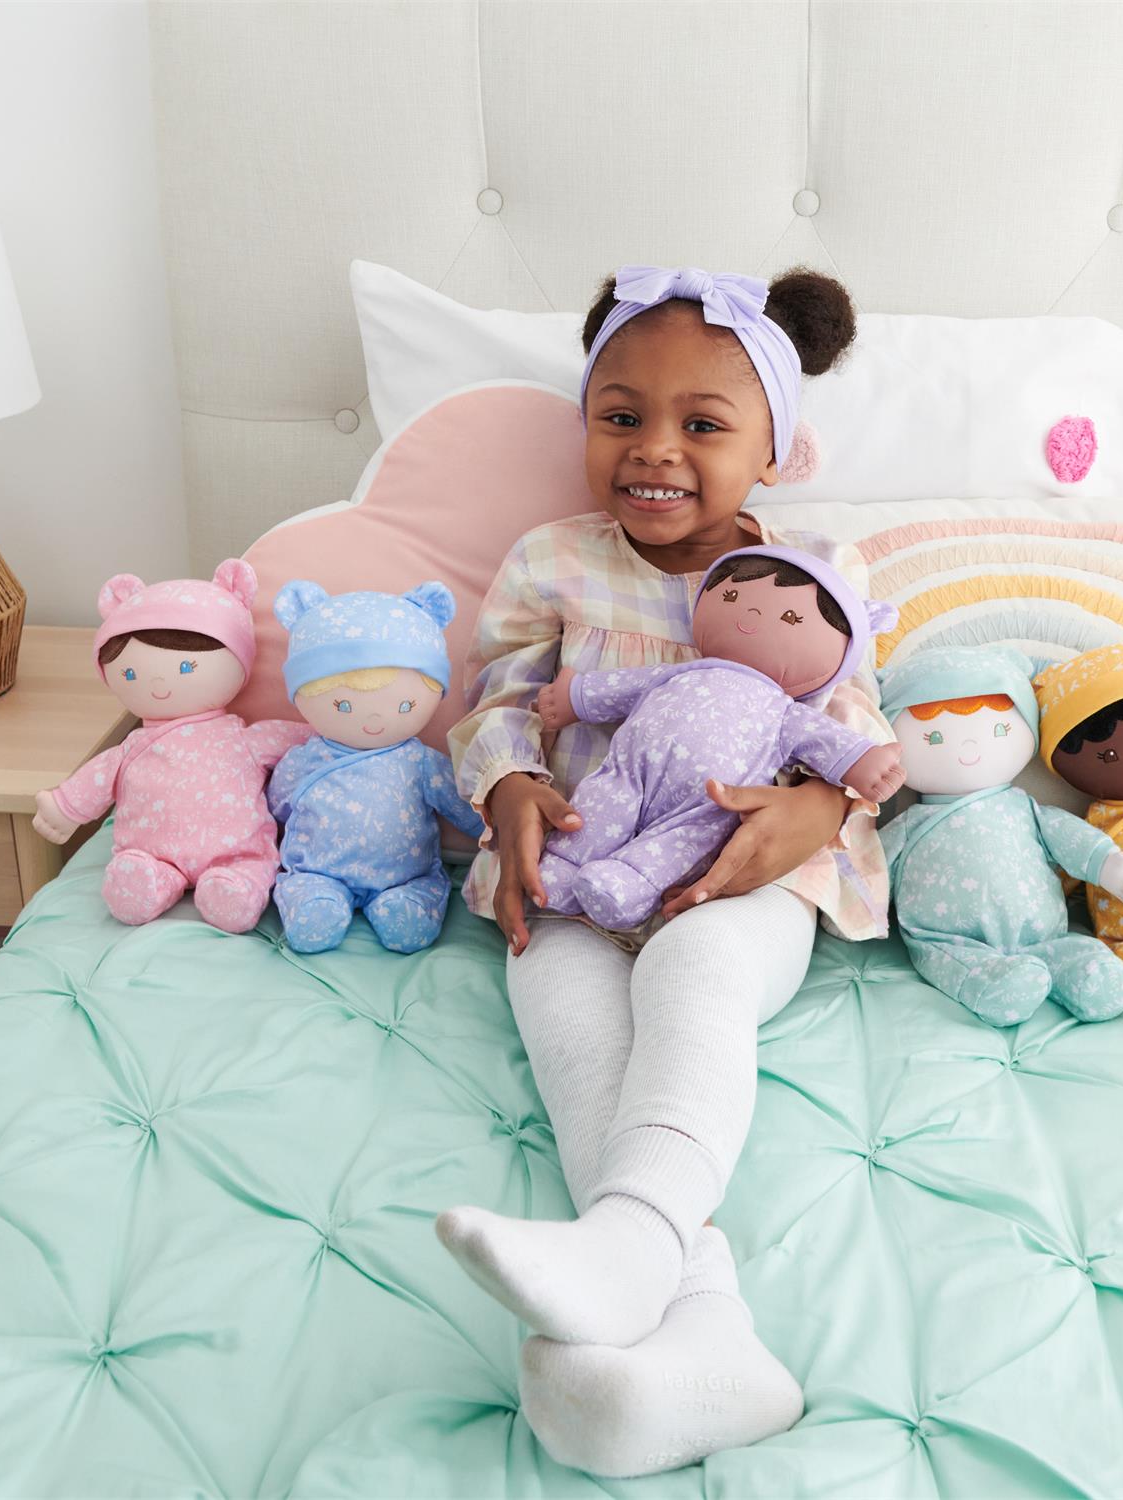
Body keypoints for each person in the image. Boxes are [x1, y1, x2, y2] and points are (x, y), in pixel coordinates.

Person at [438, 265, 893, 1476]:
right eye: (621, 414)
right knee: (569, 1019)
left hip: (736, 877)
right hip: (582, 865)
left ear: (774, 450)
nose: (655, 449)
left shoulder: (818, 574)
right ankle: (702, 1338)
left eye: (703, 424)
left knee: (692, 978)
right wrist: (510, 785)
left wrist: (816, 808)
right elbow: (496, 700)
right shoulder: (551, 560)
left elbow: (857, 731)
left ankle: (633, 1249)